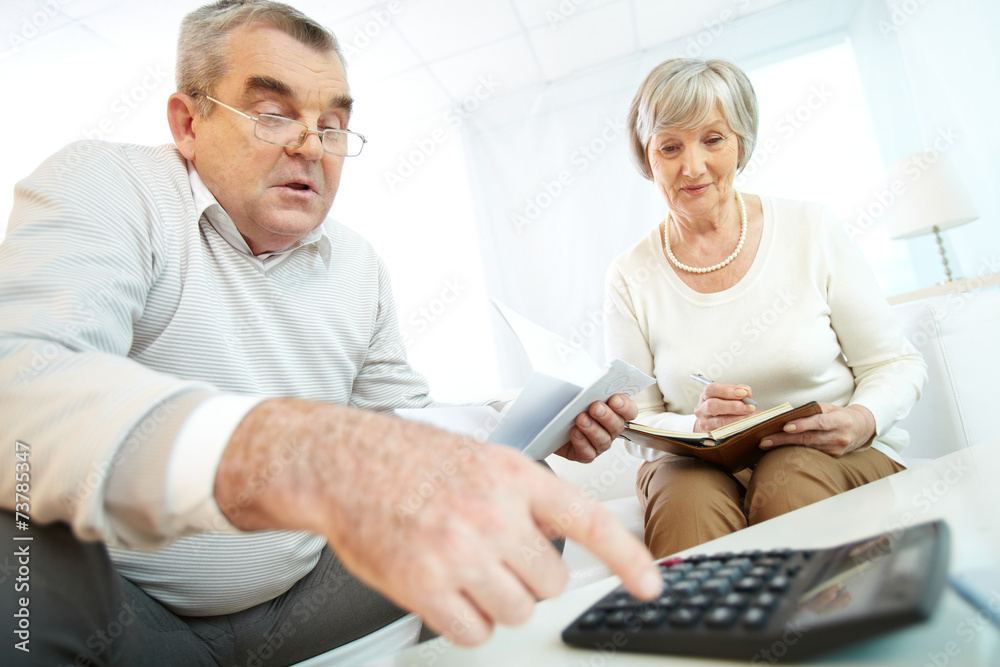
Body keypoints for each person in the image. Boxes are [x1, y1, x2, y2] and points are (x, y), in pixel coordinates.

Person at [0, 2, 663, 664]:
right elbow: (24, 390)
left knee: (513, 495)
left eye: (333, 124)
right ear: (188, 121)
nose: (310, 146)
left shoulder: (359, 266)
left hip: (302, 598)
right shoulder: (110, 188)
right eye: (273, 113)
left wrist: (531, 422)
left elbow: (398, 420)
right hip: (130, 610)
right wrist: (298, 448)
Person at [604, 58, 927, 558]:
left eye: (713, 139)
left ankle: (822, 632)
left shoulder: (811, 229)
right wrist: (697, 427)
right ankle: (712, 638)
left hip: (836, 457)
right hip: (699, 468)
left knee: (789, 473)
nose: (692, 167)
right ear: (648, 159)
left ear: (741, 143)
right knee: (685, 496)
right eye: (670, 147)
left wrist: (863, 418)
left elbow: (894, 363)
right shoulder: (629, 274)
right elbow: (637, 423)